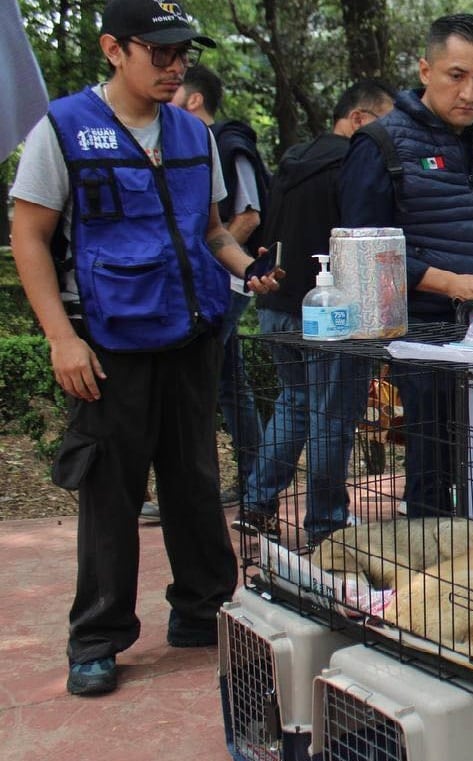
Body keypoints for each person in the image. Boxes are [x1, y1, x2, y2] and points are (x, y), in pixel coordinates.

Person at [8, 0, 279, 696]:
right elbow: (29, 237)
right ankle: (97, 635)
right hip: (110, 341)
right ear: (112, 49)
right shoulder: (65, 128)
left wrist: (247, 268)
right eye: (159, 53)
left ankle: (203, 607)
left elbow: (213, 232)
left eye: (182, 53)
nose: (175, 65)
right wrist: (62, 339)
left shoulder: (194, 133)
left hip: (191, 335)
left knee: (193, 478)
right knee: (111, 489)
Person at [339, 14, 473, 517]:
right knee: (433, 459)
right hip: (429, 331)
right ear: (424, 70)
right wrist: (446, 282)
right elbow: (364, 250)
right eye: (456, 75)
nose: (469, 92)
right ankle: (432, 566)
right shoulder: (381, 144)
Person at [237, 80, 395, 543]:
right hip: (331, 309)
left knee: (295, 404)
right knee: (333, 417)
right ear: (360, 120)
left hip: (278, 307)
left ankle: (258, 502)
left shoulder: (293, 160)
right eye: (385, 124)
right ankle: (326, 522)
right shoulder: (353, 164)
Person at [173, 63, 271, 505]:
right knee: (230, 383)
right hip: (212, 280)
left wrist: (220, 266)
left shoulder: (229, 144)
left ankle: (209, 486)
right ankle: (249, 480)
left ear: (194, 99)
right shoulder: (182, 142)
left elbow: (247, 218)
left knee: (202, 379)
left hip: (227, 283)